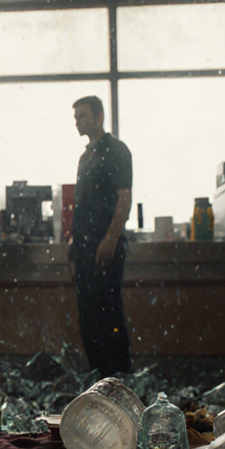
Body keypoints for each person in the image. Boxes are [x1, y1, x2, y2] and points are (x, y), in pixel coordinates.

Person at [69, 96, 133, 377]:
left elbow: (124, 197)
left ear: (99, 116)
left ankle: (118, 378)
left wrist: (110, 238)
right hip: (84, 246)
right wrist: (74, 246)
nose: (77, 121)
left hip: (104, 244)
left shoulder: (116, 150)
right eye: (76, 117)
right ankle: (99, 379)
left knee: (108, 314)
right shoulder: (86, 156)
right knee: (88, 316)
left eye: (82, 115)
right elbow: (82, 204)